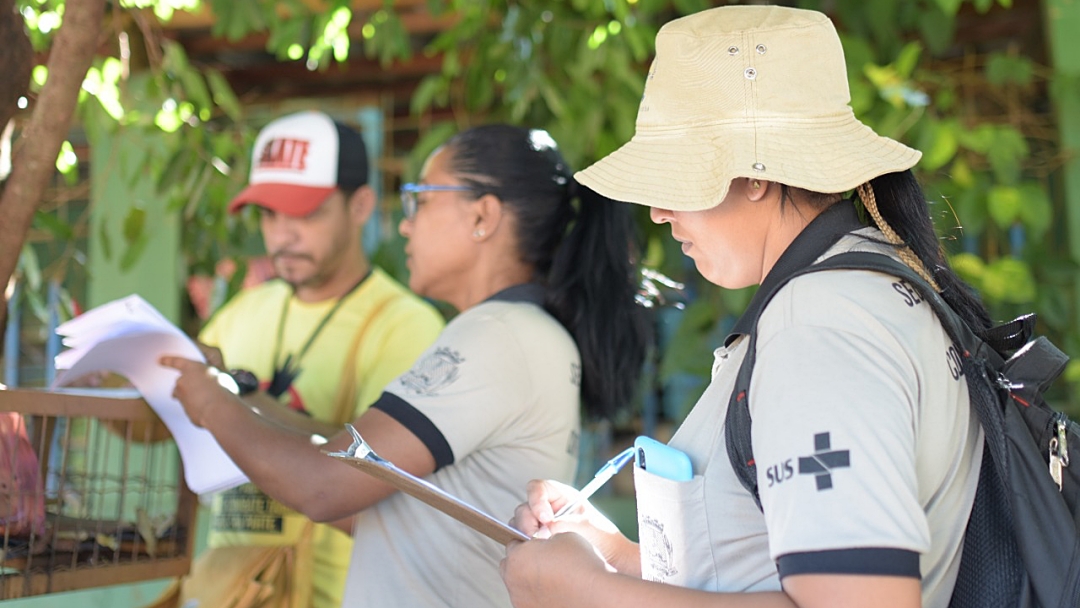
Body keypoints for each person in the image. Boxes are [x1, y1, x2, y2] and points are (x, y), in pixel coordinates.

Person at [501, 6, 990, 608]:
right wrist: (615, 553)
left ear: (756, 174)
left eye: (674, 176)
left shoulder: (819, 326)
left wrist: (587, 592)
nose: (657, 212)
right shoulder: (865, 286)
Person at [161, 123, 649, 607]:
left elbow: (325, 485)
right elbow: (363, 480)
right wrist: (240, 398)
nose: (404, 224)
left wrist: (210, 402)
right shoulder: (516, 331)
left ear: (483, 215)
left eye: (421, 199)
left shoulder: (497, 335)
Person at [166, 110, 445, 608]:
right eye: (270, 214)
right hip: (227, 593)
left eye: (306, 212)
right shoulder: (244, 311)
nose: (282, 234)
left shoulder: (405, 326)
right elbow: (161, 421)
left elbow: (378, 481)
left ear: (360, 205)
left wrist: (226, 404)